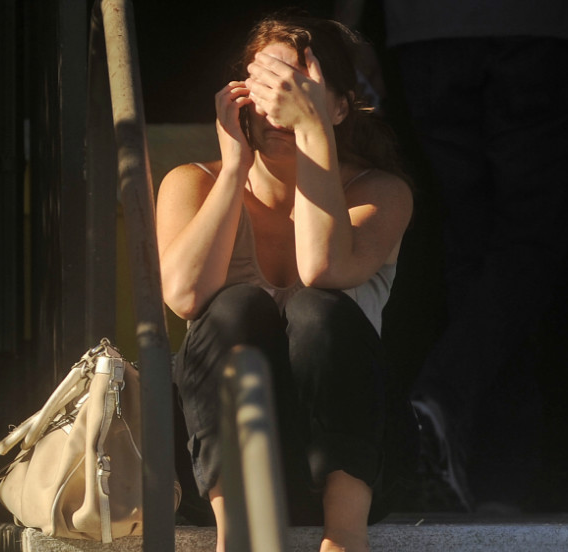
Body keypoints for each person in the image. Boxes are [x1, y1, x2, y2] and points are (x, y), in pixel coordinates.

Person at [156, 12, 417, 552]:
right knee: (235, 307)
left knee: (317, 309)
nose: (278, 106)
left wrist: (313, 129)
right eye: (267, 84)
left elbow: (322, 270)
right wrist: (233, 169)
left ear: (340, 105)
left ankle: (344, 540)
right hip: (220, 471)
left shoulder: (382, 192)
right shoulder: (190, 183)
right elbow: (183, 297)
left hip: (351, 472)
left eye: (297, 87)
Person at [383, 0, 568, 512]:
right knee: (526, 242)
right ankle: (446, 402)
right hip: (535, 26)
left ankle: (492, 479)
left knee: (473, 250)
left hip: (425, 31)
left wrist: (352, 29)